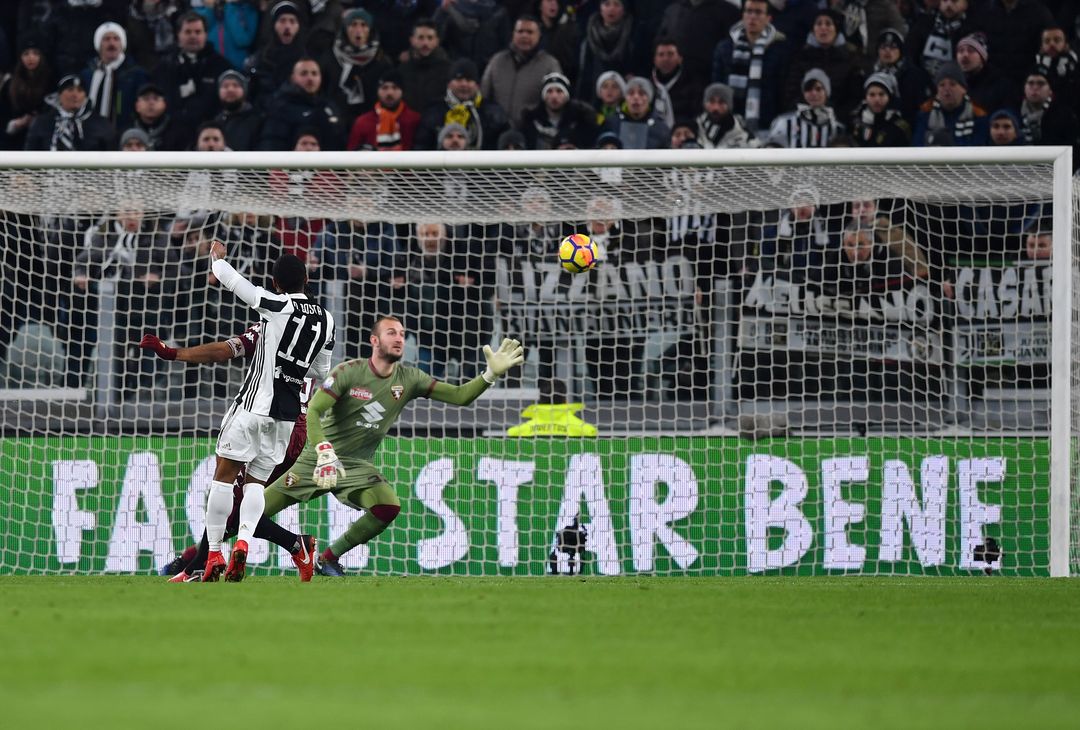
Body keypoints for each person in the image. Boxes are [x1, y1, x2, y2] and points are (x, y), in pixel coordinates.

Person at [256, 315, 524, 577]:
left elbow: (460, 396)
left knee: (387, 506)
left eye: (402, 334)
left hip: (357, 468)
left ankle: (328, 559)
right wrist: (324, 451)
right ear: (375, 340)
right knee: (251, 512)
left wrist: (489, 374)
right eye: (391, 333)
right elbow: (313, 410)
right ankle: (216, 551)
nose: (399, 339)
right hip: (318, 462)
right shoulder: (349, 372)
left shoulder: (410, 379)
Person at [200, 242, 336, 581]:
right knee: (256, 485)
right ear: (306, 279)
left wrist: (217, 258)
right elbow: (320, 370)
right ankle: (242, 544)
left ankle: (215, 553)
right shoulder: (328, 319)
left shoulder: (276, 305)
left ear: (276, 283)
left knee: (224, 475)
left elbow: (234, 282)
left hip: (255, 405)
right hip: (288, 415)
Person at [143, 324, 318, 582]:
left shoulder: (272, 324)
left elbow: (224, 350)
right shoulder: (318, 327)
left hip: (265, 419)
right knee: (238, 503)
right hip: (293, 426)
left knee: (228, 496)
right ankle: (294, 545)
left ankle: (199, 564)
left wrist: (173, 353)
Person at [711, 0, 790, 136]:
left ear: (768, 18)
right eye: (748, 11)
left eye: (758, 12)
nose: (752, 17)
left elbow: (783, 90)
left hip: (767, 124)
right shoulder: (725, 48)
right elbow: (718, 85)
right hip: (730, 126)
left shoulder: (780, 49)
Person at [481, 15, 561, 128]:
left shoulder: (550, 65)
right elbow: (483, 96)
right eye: (520, 31)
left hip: (533, 134)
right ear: (513, 34)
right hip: (497, 131)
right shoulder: (497, 61)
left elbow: (557, 101)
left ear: (539, 36)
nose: (524, 35)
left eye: (529, 32)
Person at [78, 22, 149, 132]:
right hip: (91, 133)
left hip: (124, 132)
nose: (112, 43)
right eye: (106, 39)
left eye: (116, 39)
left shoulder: (136, 74)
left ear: (122, 44)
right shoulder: (87, 74)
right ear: (98, 45)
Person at [24, 75, 115, 152]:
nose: (75, 95)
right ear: (59, 95)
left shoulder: (100, 124)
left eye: (80, 91)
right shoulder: (42, 122)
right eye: (70, 90)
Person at [912, 62, 989, 146]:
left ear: (963, 89)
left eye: (952, 84)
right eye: (942, 85)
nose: (947, 89)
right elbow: (917, 146)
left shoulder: (978, 116)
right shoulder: (925, 114)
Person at [767, 68, 845, 148]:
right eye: (808, 89)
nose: (814, 93)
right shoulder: (785, 123)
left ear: (826, 92)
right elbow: (773, 152)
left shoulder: (836, 128)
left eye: (818, 89)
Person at [346, 69, 421, 151]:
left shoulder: (414, 119)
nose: (390, 93)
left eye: (395, 88)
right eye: (384, 88)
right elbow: (351, 154)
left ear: (402, 91)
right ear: (377, 91)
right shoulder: (363, 122)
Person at [520, 71, 598, 150]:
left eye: (559, 91)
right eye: (549, 91)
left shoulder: (582, 119)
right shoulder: (531, 120)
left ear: (566, 95)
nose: (554, 96)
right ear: (543, 96)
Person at [214, 69, 264, 152]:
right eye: (225, 86)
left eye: (235, 85)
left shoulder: (257, 120)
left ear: (244, 91)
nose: (230, 89)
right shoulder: (216, 122)